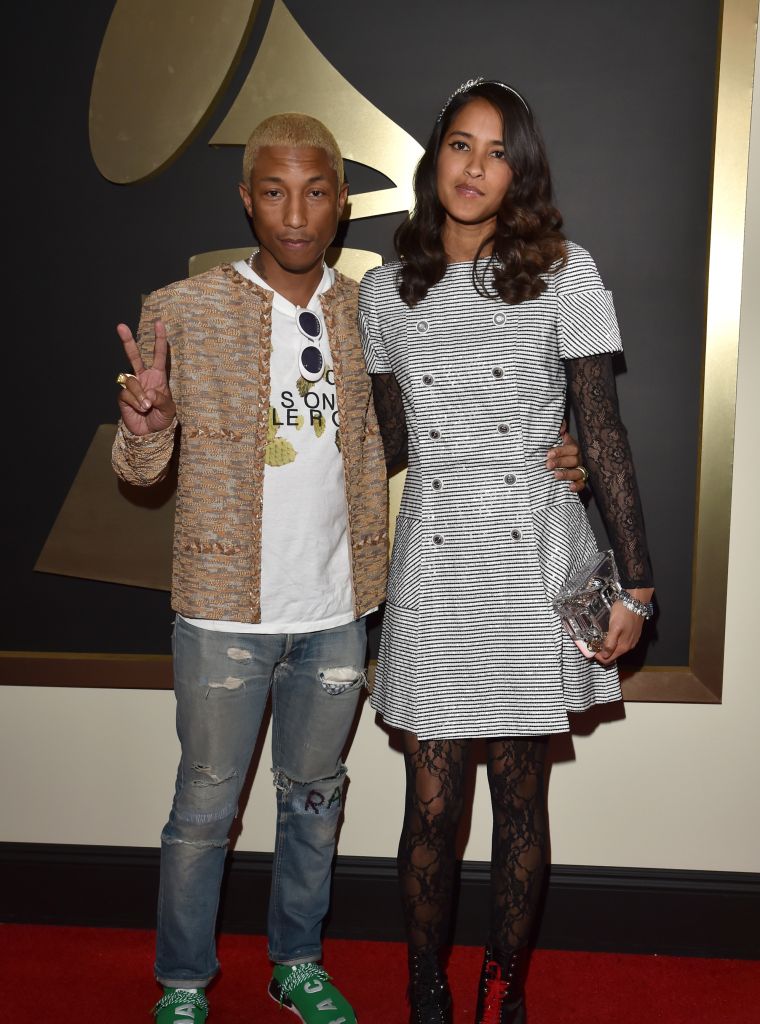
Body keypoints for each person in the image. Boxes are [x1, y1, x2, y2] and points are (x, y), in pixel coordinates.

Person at [112, 111, 586, 1024]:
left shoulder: (374, 307)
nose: (296, 214)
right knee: (203, 811)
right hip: (222, 612)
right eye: (275, 192)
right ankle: (184, 981)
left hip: (337, 608)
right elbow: (141, 470)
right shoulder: (183, 309)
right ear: (247, 200)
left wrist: (549, 452)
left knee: (315, 804)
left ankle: (296, 963)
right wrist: (146, 429)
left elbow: (422, 424)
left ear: (340, 205)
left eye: (316, 192)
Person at [358, 78, 654, 1024]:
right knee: (431, 804)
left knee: (521, 799)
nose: (474, 167)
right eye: (460, 144)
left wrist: (637, 585)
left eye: (496, 152)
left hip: (531, 557)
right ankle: (426, 990)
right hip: (435, 557)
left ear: (519, 172)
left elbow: (602, 429)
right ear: (435, 156)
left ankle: (506, 992)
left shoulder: (565, 272)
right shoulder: (384, 291)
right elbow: (383, 442)